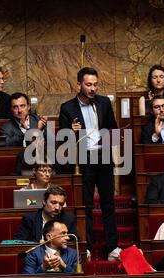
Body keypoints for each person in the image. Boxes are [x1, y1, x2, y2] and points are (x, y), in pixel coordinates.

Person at [59, 67, 121, 261]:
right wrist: (71, 130)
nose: (92, 88)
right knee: (85, 205)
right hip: (82, 161)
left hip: (102, 158)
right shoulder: (67, 108)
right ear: (79, 85)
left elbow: (113, 129)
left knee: (108, 205)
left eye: (95, 84)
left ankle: (112, 247)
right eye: (88, 84)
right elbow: (62, 139)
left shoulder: (103, 102)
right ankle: (86, 246)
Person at [14, 185, 79, 242]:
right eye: (53, 203)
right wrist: (38, 246)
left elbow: (75, 242)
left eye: (61, 204)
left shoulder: (68, 219)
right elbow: (20, 243)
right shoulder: (30, 219)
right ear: (44, 202)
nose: (57, 207)